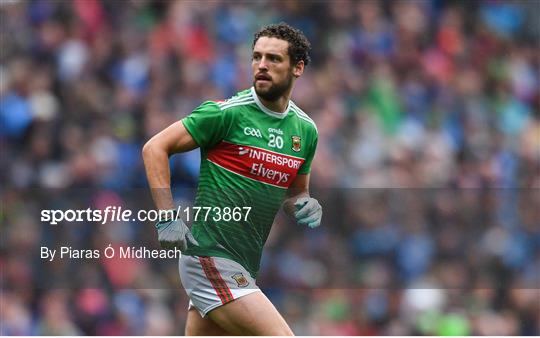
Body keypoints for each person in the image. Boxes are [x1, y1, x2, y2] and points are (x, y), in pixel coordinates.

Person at [142, 23, 322, 336]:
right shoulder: (226, 114)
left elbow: (295, 195)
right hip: (210, 257)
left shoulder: (305, 131)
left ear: (298, 67)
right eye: (257, 57)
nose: (262, 65)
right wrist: (166, 218)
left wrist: (304, 205)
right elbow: (155, 147)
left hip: (244, 265)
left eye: (273, 59)